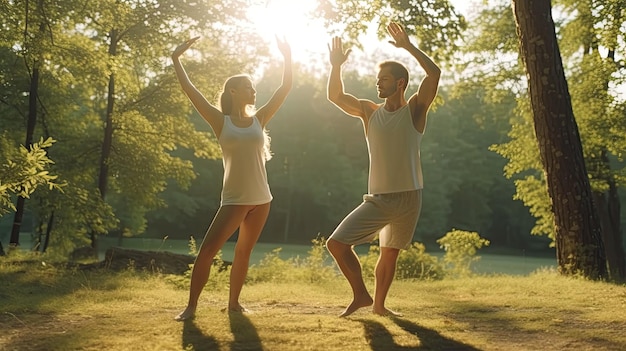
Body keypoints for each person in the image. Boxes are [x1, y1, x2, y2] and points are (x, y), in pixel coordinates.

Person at [171, 36, 292, 321]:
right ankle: (191, 307)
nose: (254, 91)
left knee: (243, 252)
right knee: (208, 252)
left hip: (262, 199)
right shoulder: (219, 120)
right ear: (234, 91)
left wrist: (287, 57)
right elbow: (190, 91)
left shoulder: (259, 119)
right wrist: (176, 60)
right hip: (235, 200)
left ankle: (235, 303)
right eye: (249, 88)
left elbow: (284, 88)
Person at [325, 22, 441, 317]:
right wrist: (336, 67)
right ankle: (361, 295)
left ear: (400, 84)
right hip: (379, 199)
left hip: (409, 197)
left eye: (384, 79)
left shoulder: (414, 110)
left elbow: (434, 74)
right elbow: (335, 97)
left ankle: (379, 307)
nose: (378, 84)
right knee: (337, 243)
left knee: (389, 254)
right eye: (378, 79)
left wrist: (408, 47)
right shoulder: (369, 111)